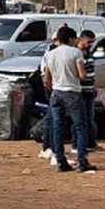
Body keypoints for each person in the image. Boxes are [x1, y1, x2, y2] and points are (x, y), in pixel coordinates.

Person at [42, 26, 95, 173]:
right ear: (71, 39)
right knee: (80, 126)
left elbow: (46, 79)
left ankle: (60, 161)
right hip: (72, 92)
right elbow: (82, 75)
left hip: (56, 93)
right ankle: (82, 161)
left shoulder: (50, 54)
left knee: (57, 128)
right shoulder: (75, 52)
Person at [76, 30, 98, 154]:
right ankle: (81, 144)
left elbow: (91, 74)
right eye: (88, 42)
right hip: (81, 91)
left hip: (89, 90)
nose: (90, 44)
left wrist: (93, 87)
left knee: (90, 118)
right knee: (82, 119)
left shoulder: (88, 53)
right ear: (81, 40)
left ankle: (90, 142)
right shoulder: (77, 54)